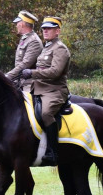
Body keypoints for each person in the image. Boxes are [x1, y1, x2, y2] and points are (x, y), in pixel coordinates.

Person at [21, 16, 70, 167]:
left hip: (54, 90)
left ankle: (53, 152)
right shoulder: (46, 47)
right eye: (43, 29)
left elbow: (55, 72)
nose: (45, 31)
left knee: (46, 113)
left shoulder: (60, 48)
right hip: (37, 88)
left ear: (58, 31)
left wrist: (32, 73)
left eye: (49, 28)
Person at [4, 10, 42, 92]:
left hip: (29, 84)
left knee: (26, 103)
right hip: (19, 81)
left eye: (17, 23)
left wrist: (7, 76)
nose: (16, 25)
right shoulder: (25, 39)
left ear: (22, 24)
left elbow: (25, 64)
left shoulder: (34, 41)